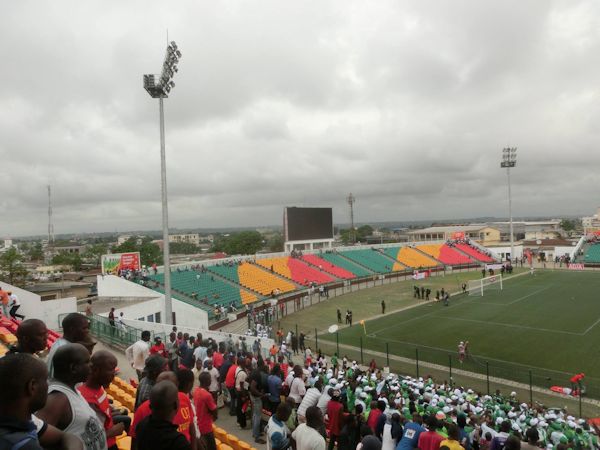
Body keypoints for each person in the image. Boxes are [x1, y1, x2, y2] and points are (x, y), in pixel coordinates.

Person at [0, 353, 83, 450]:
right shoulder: (23, 445)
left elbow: (67, 436)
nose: (49, 385)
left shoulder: (25, 419)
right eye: (46, 380)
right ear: (33, 386)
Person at [35, 343, 108, 450]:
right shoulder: (57, 398)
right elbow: (36, 438)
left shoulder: (70, 389)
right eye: (87, 362)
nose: (92, 366)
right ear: (73, 368)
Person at [131, 371, 197, 450]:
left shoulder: (185, 399)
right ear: (176, 406)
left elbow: (191, 426)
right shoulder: (179, 442)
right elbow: (134, 442)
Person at [78, 351, 128, 450]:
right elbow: (86, 439)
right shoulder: (86, 401)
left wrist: (108, 410)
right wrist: (113, 432)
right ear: (96, 370)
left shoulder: (99, 386)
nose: (114, 374)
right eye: (111, 369)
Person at [46, 313, 91, 378]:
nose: (87, 331)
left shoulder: (60, 343)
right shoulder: (65, 349)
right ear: (72, 329)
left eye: (87, 328)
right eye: (84, 328)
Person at [193, 372, 218, 450]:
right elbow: (214, 410)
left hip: (198, 424)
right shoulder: (207, 395)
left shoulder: (196, 390)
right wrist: (214, 417)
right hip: (206, 427)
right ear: (207, 381)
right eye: (209, 379)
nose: (210, 380)